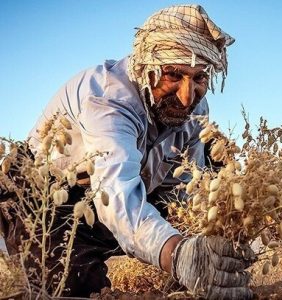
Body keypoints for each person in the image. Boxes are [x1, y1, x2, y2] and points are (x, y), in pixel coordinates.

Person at [0, 4, 254, 299]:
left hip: (112, 196)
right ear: (145, 68)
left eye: (199, 79)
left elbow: (182, 190)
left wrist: (203, 244)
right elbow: (116, 192)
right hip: (46, 200)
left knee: (216, 161)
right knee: (73, 287)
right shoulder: (108, 99)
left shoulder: (195, 111)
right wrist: (179, 255)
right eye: (173, 75)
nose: (187, 97)